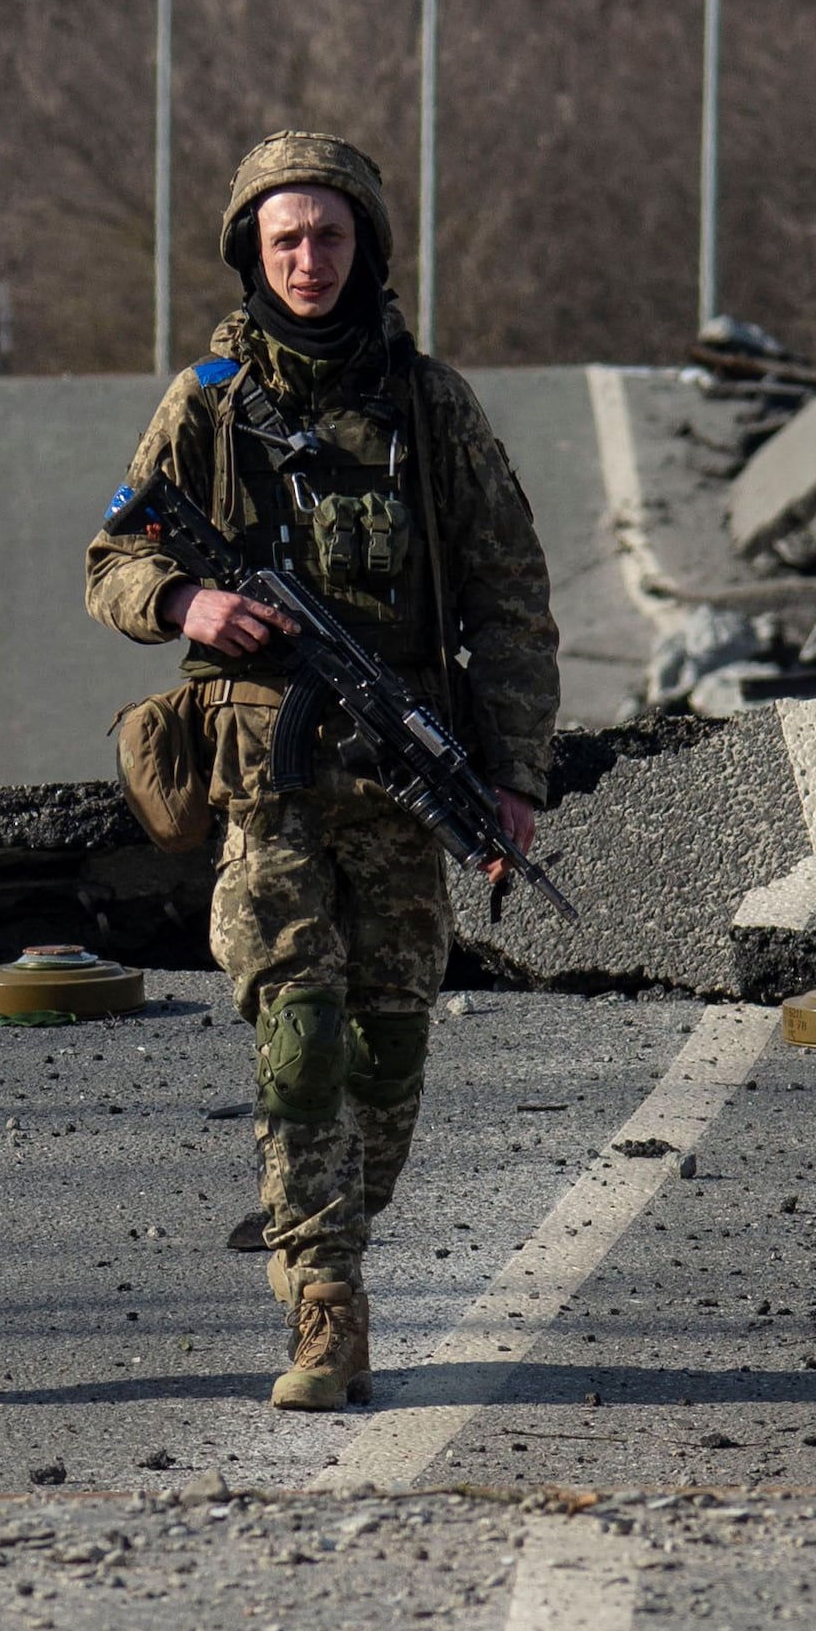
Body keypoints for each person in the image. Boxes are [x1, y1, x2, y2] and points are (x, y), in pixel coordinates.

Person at [85, 133, 558, 1411]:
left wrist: (512, 775)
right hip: (269, 780)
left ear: (365, 249)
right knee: (295, 1031)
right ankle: (324, 1303)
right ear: (252, 250)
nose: (307, 260)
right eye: (284, 239)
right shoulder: (208, 400)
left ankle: (329, 1223)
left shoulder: (429, 405)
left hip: (403, 778)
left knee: (389, 1048)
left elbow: (510, 596)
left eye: (328, 237)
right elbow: (111, 558)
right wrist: (190, 602)